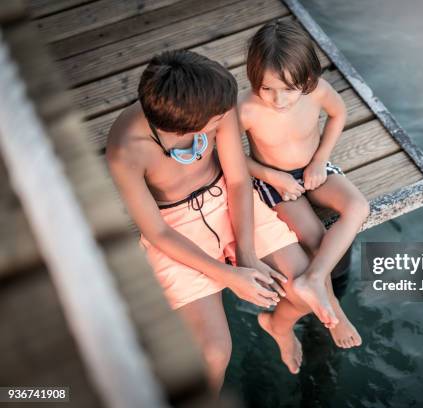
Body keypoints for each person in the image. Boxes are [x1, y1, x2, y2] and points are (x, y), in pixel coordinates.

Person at [105, 50, 323, 394]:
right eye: (217, 121)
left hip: (226, 194)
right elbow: (156, 231)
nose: (227, 118)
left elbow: (237, 180)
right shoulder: (125, 151)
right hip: (172, 225)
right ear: (188, 127)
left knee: (304, 287)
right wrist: (228, 275)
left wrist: (247, 255)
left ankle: (279, 328)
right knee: (213, 353)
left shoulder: (216, 105)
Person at [238, 20, 370, 349]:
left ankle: (313, 278)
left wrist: (319, 160)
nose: (278, 99)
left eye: (289, 89)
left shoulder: (318, 91)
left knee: (359, 207)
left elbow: (339, 114)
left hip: (315, 169)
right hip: (276, 182)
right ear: (254, 78)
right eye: (267, 88)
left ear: (308, 79)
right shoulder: (246, 108)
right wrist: (271, 176)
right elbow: (224, 154)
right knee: (315, 237)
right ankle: (334, 312)